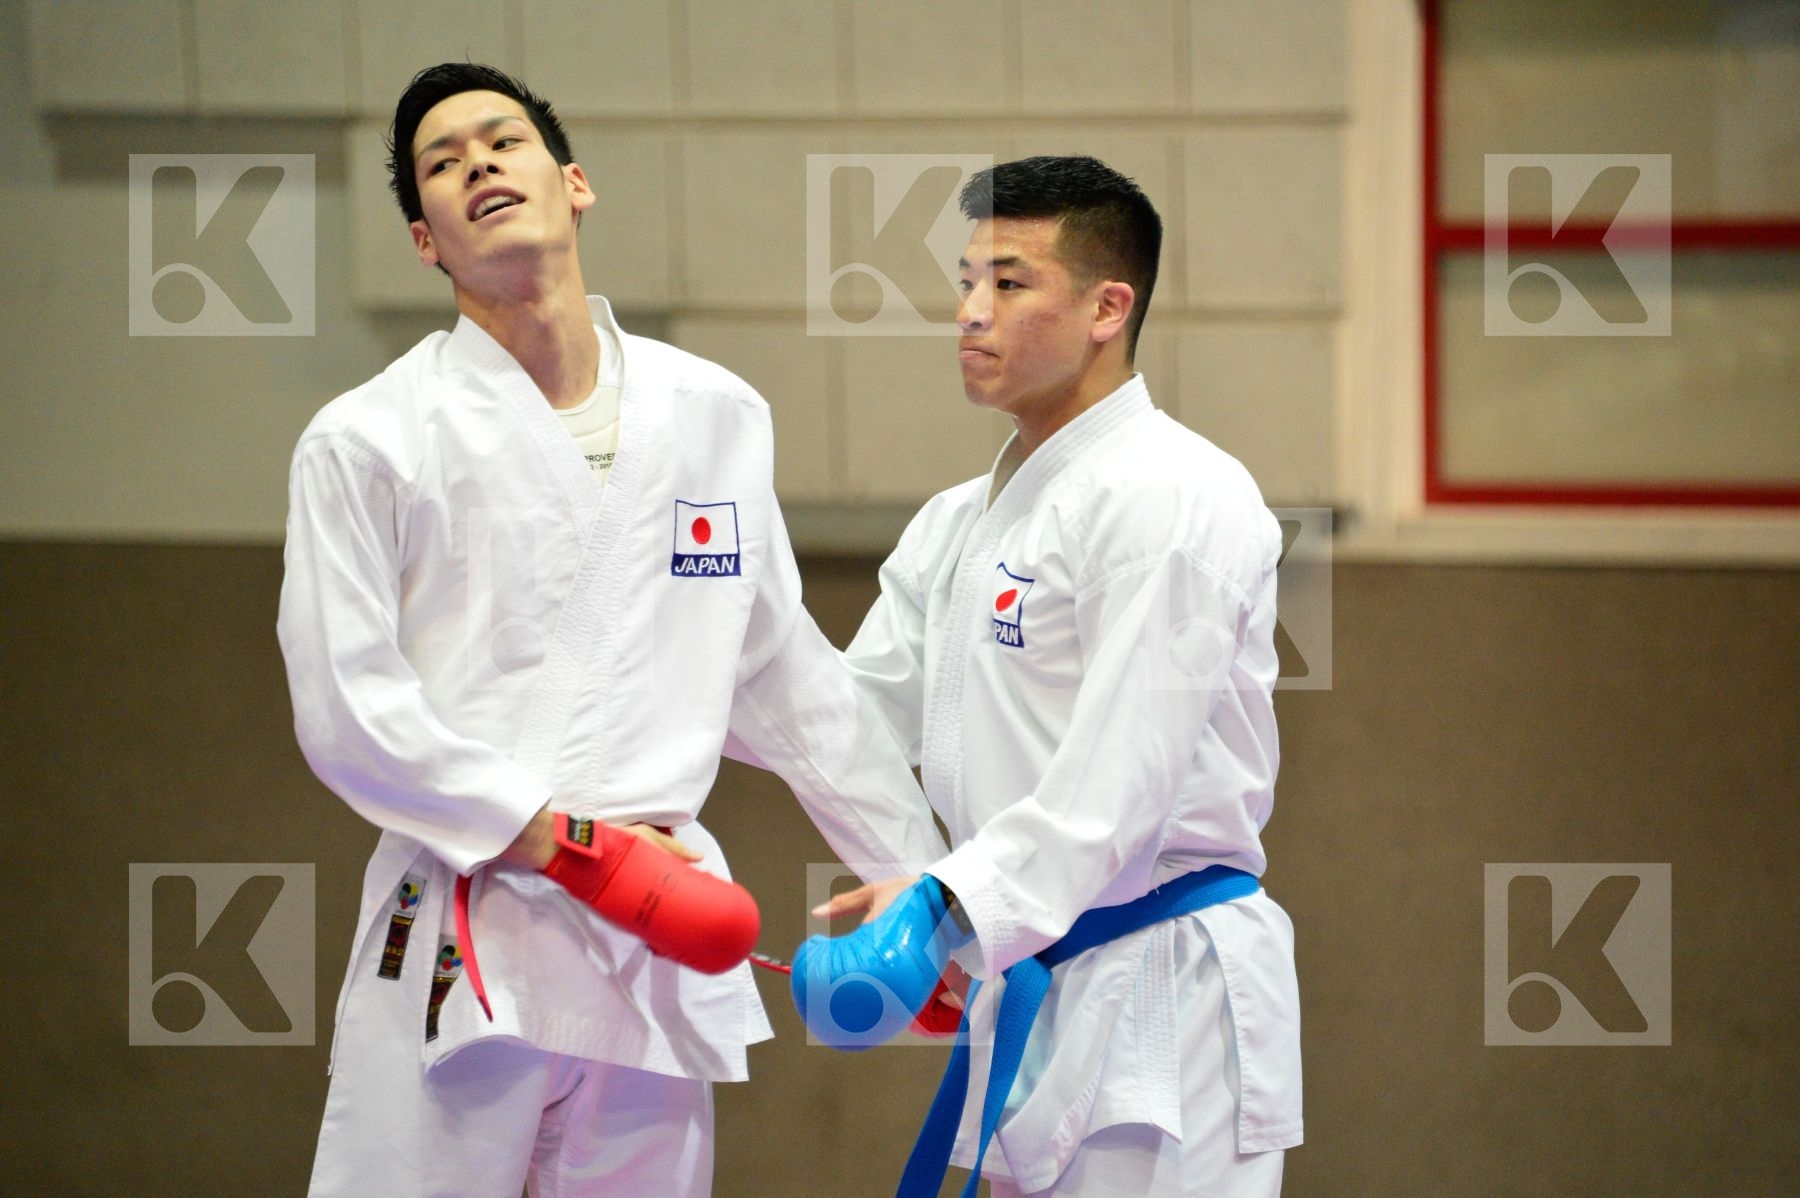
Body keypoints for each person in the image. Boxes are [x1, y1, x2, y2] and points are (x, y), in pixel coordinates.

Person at [277, 62, 945, 1197]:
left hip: (654, 950)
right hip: (470, 924)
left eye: (504, 141)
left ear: (574, 183)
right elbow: (346, 707)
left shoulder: (717, 415)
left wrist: (931, 888)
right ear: (424, 242)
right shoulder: (369, 438)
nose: (479, 163)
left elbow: (792, 687)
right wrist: (562, 844)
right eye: (444, 163)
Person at [793, 157, 1303, 1197]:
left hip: (1163, 986)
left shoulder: (1178, 495)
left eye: (1011, 283)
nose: (971, 313)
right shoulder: (956, 521)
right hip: (1033, 969)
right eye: (966, 280)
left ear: (1109, 306)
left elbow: (1121, 783)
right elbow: (844, 721)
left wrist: (945, 901)